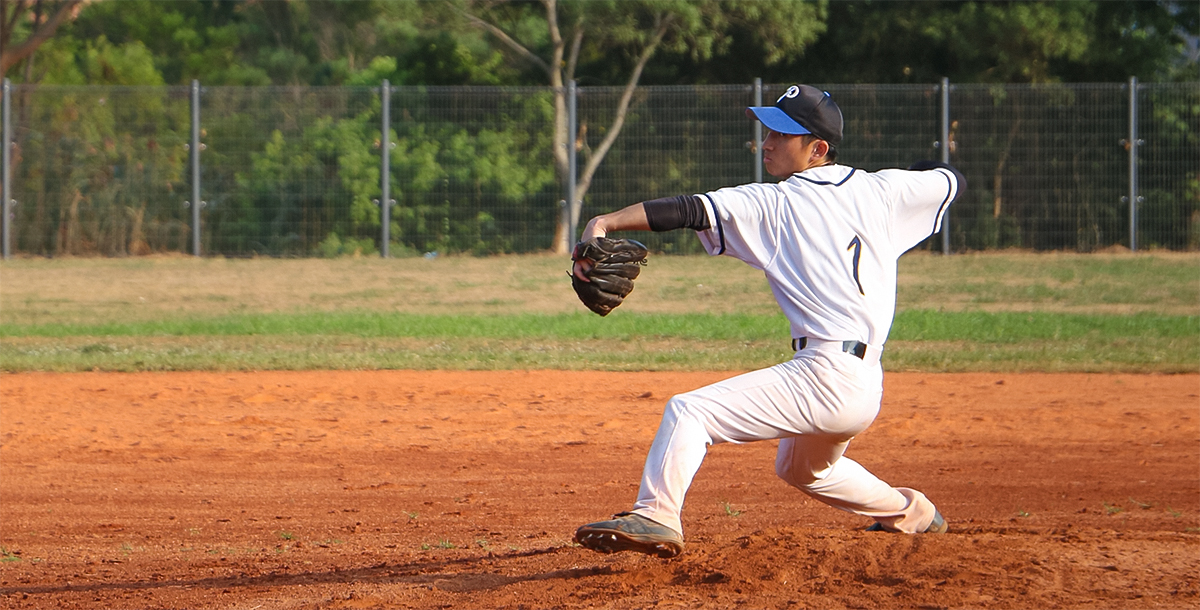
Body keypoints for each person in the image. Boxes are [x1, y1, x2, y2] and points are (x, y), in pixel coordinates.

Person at [571, 84, 965, 558]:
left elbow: (689, 209)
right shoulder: (882, 190)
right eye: (767, 131)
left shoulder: (777, 203)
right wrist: (917, 173)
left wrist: (604, 222)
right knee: (801, 470)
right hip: (863, 384)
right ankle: (912, 513)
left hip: (823, 376)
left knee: (690, 411)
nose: (768, 142)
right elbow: (950, 180)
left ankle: (656, 513)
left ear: (817, 149)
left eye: (782, 134)